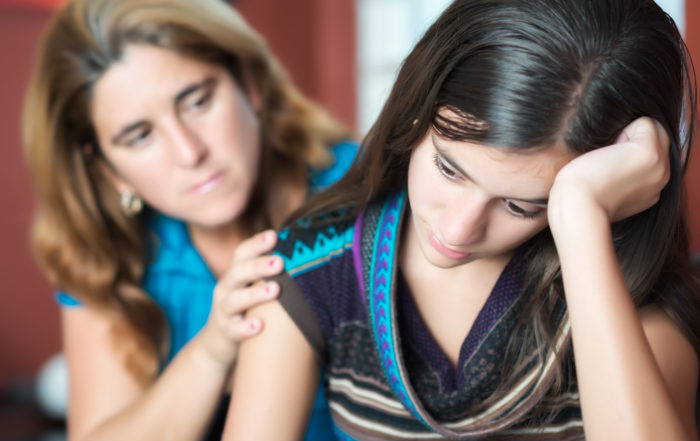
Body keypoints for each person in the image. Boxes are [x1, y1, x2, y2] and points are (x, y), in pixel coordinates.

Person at [222, 0, 700, 439]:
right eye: (449, 169)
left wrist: (579, 216)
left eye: (522, 205)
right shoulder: (315, 264)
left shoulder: (628, 288)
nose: (456, 230)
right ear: (416, 109)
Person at [21, 0, 357, 439]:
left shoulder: (364, 193)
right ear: (108, 170)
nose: (189, 152)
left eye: (198, 101)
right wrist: (211, 351)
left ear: (249, 84)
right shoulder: (106, 251)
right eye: (140, 136)